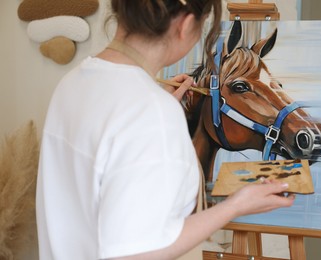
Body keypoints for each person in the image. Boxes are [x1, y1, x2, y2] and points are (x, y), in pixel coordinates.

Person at [36, 0, 295, 259]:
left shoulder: (72, 82)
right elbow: (137, 253)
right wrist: (235, 206)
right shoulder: (151, 111)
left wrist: (157, 112)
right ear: (185, 24)